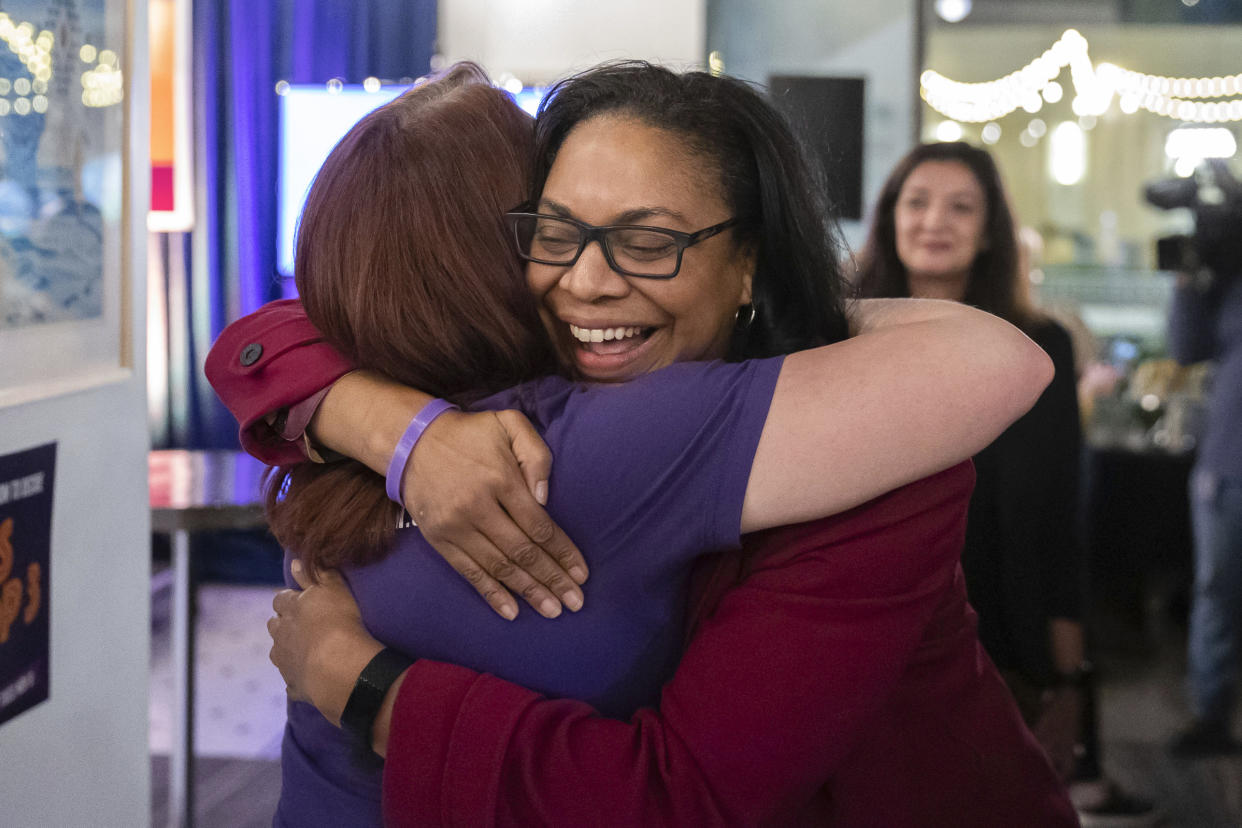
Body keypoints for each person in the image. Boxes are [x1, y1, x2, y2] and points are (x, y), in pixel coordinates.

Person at [209, 63, 1075, 825]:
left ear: (748, 263)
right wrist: (399, 429)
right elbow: (273, 336)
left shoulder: (882, 459)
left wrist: (360, 681)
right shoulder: (503, 423)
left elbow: (679, 799)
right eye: (554, 234)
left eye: (650, 241)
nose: (586, 281)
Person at [855, 140, 1154, 823]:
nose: (936, 221)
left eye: (962, 207)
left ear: (990, 230)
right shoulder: (836, 332)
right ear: (889, 217)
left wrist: (1070, 680)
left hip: (1000, 644)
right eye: (918, 202)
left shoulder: (1037, 347)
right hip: (868, 638)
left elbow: (1058, 522)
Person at [1166, 224, 1242, 758]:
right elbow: (1186, 347)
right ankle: (1211, 718)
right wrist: (1191, 276)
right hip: (1229, 463)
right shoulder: (1231, 274)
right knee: (1216, 596)